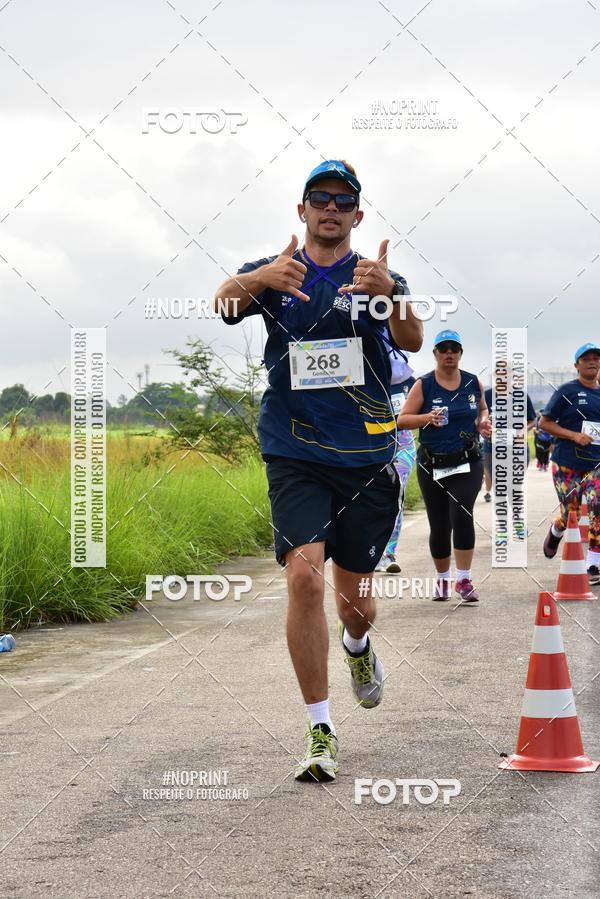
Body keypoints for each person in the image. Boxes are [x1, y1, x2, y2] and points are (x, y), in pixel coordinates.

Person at [214, 160, 423, 782]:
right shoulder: (278, 273)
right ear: (301, 210)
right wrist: (259, 277)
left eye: (343, 200)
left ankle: (357, 647)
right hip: (294, 449)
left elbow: (411, 341)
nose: (330, 208)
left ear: (357, 216)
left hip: (365, 453)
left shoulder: (375, 276)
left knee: (354, 601)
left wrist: (391, 293)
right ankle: (320, 727)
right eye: (319, 198)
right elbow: (224, 305)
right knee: (304, 577)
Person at [397, 330, 491, 602]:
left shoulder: (473, 383)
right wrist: (426, 417)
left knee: (461, 513)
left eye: (454, 349)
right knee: (439, 525)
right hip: (432, 463)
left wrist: (483, 421)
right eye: (444, 348)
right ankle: (442, 581)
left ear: (461, 353)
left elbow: (482, 410)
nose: (449, 353)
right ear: (435, 353)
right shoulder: (423, 385)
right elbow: (402, 420)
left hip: (467, 460)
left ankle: (464, 579)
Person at [540, 343, 600, 585]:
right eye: (587, 359)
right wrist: (574, 435)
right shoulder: (566, 391)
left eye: (596, 358)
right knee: (571, 514)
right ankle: (557, 530)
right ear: (577, 365)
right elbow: (544, 423)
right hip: (567, 464)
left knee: (598, 505)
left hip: (595, 465)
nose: (593, 362)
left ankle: (594, 562)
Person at [375, 343, 417, 573]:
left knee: (395, 495)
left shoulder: (412, 383)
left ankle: (388, 552)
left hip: (402, 445)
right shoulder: (363, 379)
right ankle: (367, 549)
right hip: (368, 445)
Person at [481, 382, 536, 502]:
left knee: (515, 485)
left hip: (517, 447)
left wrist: (524, 430)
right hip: (493, 448)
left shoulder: (521, 395)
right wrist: (483, 426)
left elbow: (532, 420)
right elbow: (479, 417)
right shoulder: (487, 395)